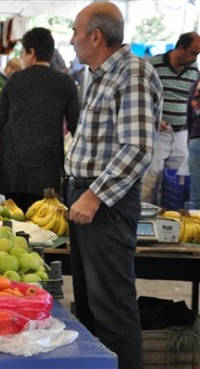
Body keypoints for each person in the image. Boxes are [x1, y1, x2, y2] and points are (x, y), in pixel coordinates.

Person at [65, 3, 163, 369]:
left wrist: (93, 196)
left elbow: (137, 148)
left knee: (113, 311)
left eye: (76, 32)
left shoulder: (131, 73)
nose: (72, 40)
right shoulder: (102, 74)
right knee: (91, 307)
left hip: (106, 204)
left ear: (96, 36)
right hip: (88, 199)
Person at [0, 28, 80, 213]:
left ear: (31, 52)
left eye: (23, 51)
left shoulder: (15, 80)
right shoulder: (65, 83)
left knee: (14, 222)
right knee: (44, 223)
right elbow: (75, 126)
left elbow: (1, 121)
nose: (22, 56)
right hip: (47, 169)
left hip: (12, 168)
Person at [141, 32, 200, 205]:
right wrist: (153, 120)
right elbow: (139, 97)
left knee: (175, 184)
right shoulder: (152, 65)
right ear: (180, 48)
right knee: (151, 180)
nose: (195, 57)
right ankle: (143, 221)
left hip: (181, 134)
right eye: (193, 52)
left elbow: (192, 103)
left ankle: (169, 220)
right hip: (157, 133)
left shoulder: (194, 71)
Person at [188, 77, 200, 209]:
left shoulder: (196, 83)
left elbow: (189, 117)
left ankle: (196, 229)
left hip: (196, 139)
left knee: (197, 197)